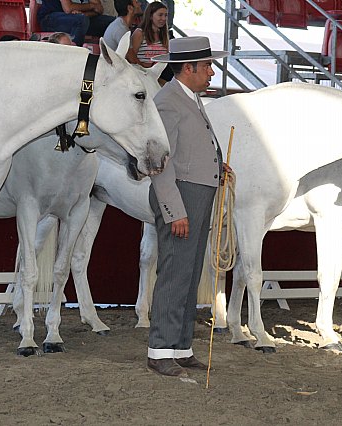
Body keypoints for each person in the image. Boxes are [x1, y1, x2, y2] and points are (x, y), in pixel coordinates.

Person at [146, 36, 231, 377]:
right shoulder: (168, 101)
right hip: (181, 197)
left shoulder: (188, 98)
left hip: (194, 193)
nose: (212, 71)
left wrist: (216, 166)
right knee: (175, 273)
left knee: (189, 274)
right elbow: (161, 162)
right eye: (207, 65)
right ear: (189, 68)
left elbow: (189, 151)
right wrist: (174, 209)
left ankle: (180, 347)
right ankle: (159, 350)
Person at [37, 0, 115, 46]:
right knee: (80, 20)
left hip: (80, 19)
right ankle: (75, 55)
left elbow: (99, 9)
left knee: (111, 23)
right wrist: (91, 6)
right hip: (50, 18)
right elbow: (68, 8)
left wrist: (84, 14)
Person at [131, 1, 173, 84]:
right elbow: (131, 55)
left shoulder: (165, 35)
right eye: (160, 15)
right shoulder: (140, 33)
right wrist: (143, 66)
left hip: (161, 74)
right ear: (150, 16)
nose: (164, 18)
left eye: (166, 15)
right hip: (143, 74)